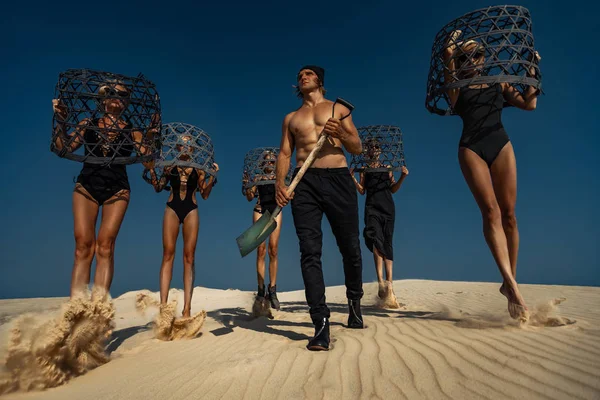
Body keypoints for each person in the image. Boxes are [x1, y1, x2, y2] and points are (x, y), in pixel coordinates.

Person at [443, 30, 541, 321]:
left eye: (477, 54)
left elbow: (530, 103)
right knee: (490, 212)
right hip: (471, 148)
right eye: (465, 56)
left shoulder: (499, 83)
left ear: (485, 58)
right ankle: (511, 284)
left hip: (500, 143)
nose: (471, 60)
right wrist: (450, 53)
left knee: (510, 215)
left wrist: (532, 70)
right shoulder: (457, 87)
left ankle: (509, 281)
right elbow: (449, 88)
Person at [275, 65, 364, 351]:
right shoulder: (291, 118)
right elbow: (285, 153)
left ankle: (354, 300)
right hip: (304, 184)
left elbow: (356, 146)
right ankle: (320, 323)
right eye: (300, 75)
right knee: (309, 251)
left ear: (320, 81)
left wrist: (341, 132)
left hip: (338, 177)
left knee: (350, 246)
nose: (303, 77)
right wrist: (280, 183)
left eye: (309, 74)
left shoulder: (338, 109)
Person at [52, 81, 158, 299]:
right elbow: (63, 148)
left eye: (122, 94)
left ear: (127, 102)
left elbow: (149, 163)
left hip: (117, 190)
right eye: (110, 93)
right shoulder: (87, 123)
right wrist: (61, 121)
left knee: (105, 246)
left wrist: (151, 136)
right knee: (83, 246)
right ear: (103, 99)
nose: (116, 96)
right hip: (86, 186)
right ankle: (77, 307)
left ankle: (98, 306)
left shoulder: (133, 131)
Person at [147, 135, 218, 318]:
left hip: (191, 209)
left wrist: (212, 177)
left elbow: (206, 195)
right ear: (177, 147)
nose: (185, 147)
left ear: (193, 149)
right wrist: (153, 170)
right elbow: (158, 187)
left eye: (189, 144)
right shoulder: (170, 166)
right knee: (168, 254)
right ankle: (164, 309)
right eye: (182, 144)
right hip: (172, 208)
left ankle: (187, 309)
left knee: (189, 257)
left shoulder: (199, 170)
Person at [349, 137, 409, 302]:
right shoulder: (364, 170)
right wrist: (353, 178)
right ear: (367, 151)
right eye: (370, 147)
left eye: (376, 147)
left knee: (387, 242)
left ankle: (389, 284)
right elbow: (362, 190)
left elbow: (393, 189)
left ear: (380, 151)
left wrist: (403, 177)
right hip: (372, 208)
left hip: (388, 208)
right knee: (375, 239)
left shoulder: (387, 168)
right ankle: (380, 281)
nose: (373, 149)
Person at [242, 150, 281, 310]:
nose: (269, 164)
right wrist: (247, 184)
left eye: (272, 161)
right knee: (261, 250)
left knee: (273, 250)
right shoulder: (258, 179)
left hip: (276, 212)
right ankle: (260, 288)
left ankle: (273, 290)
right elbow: (250, 197)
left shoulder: (280, 179)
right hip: (259, 211)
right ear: (262, 163)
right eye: (267, 161)